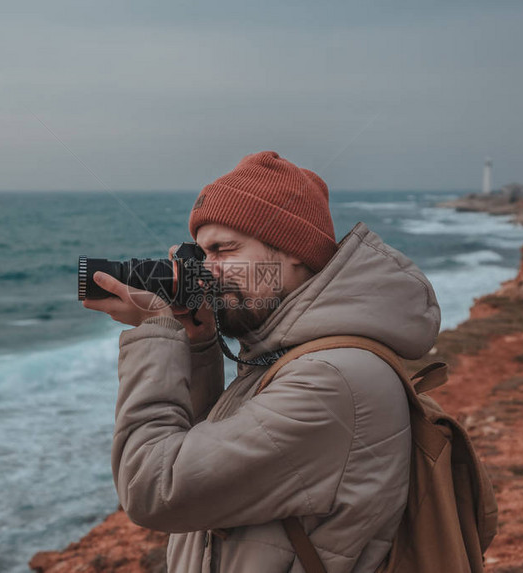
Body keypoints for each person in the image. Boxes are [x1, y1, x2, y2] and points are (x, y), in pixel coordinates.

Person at [82, 151, 441, 572]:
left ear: (292, 252)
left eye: (223, 250)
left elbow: (154, 489)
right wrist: (197, 344)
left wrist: (154, 332)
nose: (205, 272)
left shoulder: (332, 378)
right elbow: (207, 455)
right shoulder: (291, 355)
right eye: (200, 255)